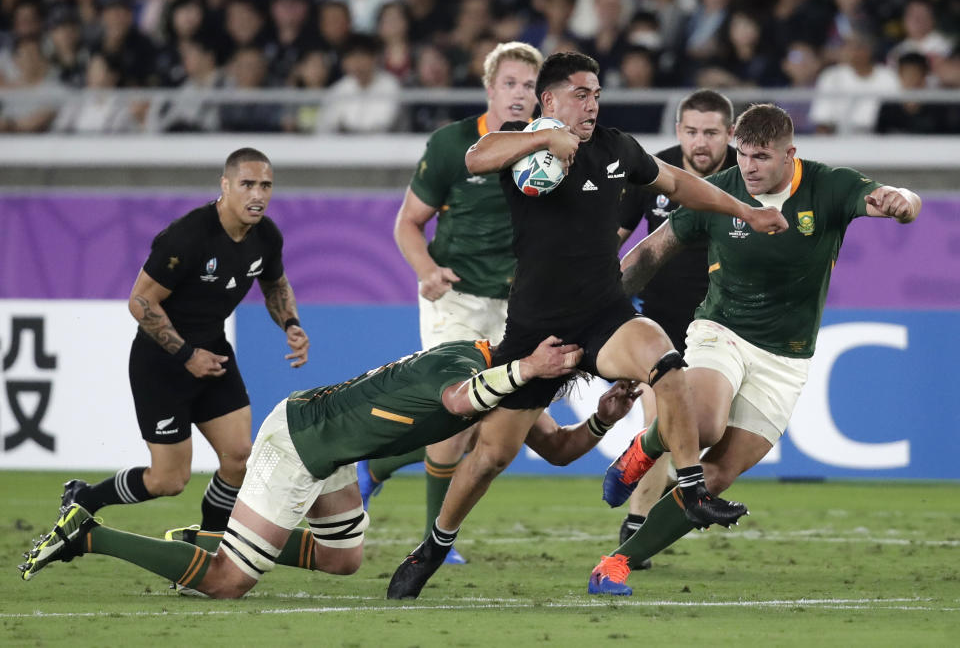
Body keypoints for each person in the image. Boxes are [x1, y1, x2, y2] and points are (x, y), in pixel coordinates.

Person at [386, 51, 788, 600]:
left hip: (604, 312)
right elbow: (477, 158)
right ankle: (433, 545)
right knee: (489, 457)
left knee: (667, 365)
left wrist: (745, 211)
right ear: (548, 100)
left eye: (596, 93)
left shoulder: (616, 148)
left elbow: (675, 182)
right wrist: (540, 139)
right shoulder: (517, 143)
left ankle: (690, 487)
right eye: (581, 93)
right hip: (534, 327)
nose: (592, 103)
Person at [590, 103, 921, 596]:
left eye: (761, 157)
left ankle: (614, 563)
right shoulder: (721, 191)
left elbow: (894, 199)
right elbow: (651, 251)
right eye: (743, 154)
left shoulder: (828, 186)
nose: (749, 166)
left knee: (718, 474)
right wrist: (599, 310)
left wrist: (903, 201)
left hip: (786, 356)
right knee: (702, 424)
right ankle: (644, 449)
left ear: (790, 154)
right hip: (721, 330)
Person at [19, 337, 639, 598]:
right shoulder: (472, 372)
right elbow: (456, 402)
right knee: (229, 584)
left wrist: (606, 416)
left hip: (333, 447)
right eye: (563, 364)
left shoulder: (503, 378)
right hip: (299, 444)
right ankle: (89, 534)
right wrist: (529, 371)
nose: (567, 373)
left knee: (344, 558)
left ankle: (210, 539)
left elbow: (558, 450)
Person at [357, 41, 542, 567]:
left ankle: (377, 468)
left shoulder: (548, 152)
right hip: (455, 300)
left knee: (496, 426)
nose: (518, 94)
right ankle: (436, 541)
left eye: (528, 86)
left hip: (516, 307)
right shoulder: (452, 145)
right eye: (509, 83)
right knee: (460, 414)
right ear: (490, 89)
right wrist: (427, 271)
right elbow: (407, 223)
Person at [59, 148, 310, 534]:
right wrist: (186, 355)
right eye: (247, 184)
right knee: (169, 481)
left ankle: (209, 542)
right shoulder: (188, 236)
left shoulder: (266, 236)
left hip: (214, 355)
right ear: (225, 186)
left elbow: (275, 283)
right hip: (162, 362)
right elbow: (141, 301)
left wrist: (290, 323)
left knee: (239, 457)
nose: (257, 195)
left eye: (265, 185)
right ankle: (85, 498)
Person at [614, 88, 739, 555]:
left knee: (709, 436)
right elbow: (617, 239)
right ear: (677, 132)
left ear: (730, 134)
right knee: (664, 425)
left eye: (710, 132)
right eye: (691, 132)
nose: (700, 142)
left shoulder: (749, 177)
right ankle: (635, 526)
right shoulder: (651, 173)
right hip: (657, 324)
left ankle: (656, 508)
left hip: (723, 331)